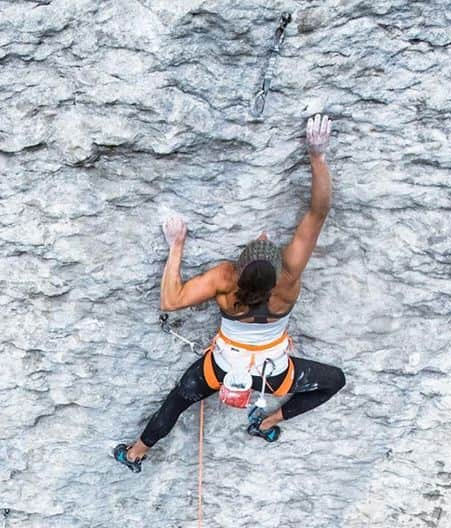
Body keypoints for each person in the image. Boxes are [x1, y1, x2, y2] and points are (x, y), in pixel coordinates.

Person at [114, 114, 345, 472]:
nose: (265, 237)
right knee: (334, 381)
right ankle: (266, 422)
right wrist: (317, 156)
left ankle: (136, 453)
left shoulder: (225, 280)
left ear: (239, 268)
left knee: (176, 402)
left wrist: (176, 246)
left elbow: (170, 301)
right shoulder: (288, 281)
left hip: (220, 368)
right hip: (273, 373)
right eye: (264, 243)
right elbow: (318, 212)